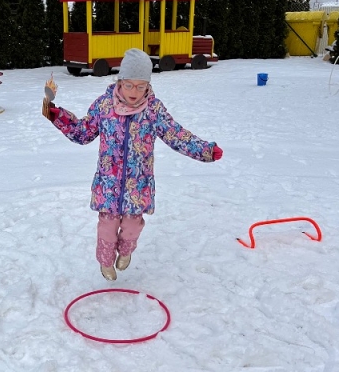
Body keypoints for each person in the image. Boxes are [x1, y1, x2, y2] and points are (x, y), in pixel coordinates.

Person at [45, 48, 223, 281]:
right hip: (109, 184)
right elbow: (82, 133)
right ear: (120, 81)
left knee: (132, 227)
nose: (134, 92)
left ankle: (126, 252)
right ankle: (106, 262)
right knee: (107, 228)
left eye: (141, 86)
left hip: (138, 185)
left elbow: (175, 135)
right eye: (129, 85)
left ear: (148, 85)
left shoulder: (153, 110)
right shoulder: (104, 106)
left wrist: (205, 150)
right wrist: (58, 115)